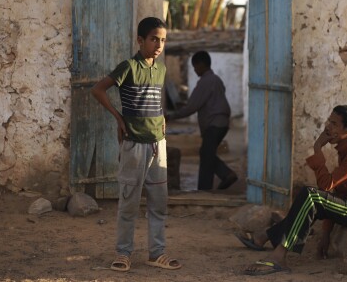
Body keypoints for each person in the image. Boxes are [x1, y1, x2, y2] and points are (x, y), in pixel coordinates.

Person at [236, 105, 347, 276]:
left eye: (334, 123)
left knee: (311, 196)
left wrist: (317, 148)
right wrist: (326, 232)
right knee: (309, 198)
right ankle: (264, 236)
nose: (327, 127)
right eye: (328, 121)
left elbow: (326, 186)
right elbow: (338, 192)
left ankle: (278, 257)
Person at [90, 17, 181, 272]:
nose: (159, 44)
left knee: (158, 202)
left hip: (157, 145)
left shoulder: (161, 69)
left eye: (163, 40)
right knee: (129, 202)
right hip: (134, 145)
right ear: (140, 40)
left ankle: (157, 253)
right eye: (154, 39)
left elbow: (154, 99)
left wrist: (161, 117)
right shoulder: (128, 66)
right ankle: (123, 253)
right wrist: (118, 118)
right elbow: (98, 90)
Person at [166, 50, 238, 190]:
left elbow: (191, 107)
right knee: (207, 154)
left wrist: (170, 116)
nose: (195, 70)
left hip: (214, 124)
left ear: (201, 65)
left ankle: (220, 178)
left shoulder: (205, 82)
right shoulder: (216, 80)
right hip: (222, 123)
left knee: (206, 154)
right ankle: (214, 182)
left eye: (195, 67)